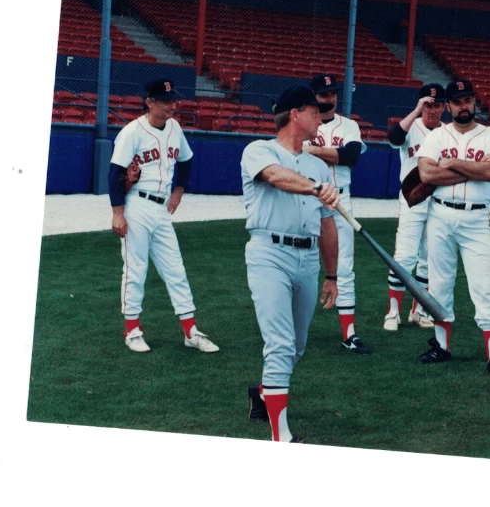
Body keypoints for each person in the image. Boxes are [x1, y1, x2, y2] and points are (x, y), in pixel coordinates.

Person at [241, 85, 341, 443]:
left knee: (296, 346)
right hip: (269, 253)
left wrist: (332, 275)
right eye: (315, 112)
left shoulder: (318, 164)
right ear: (295, 115)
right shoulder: (259, 150)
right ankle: (281, 439)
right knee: (281, 344)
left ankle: (265, 392)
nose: (321, 117)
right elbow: (276, 177)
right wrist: (316, 187)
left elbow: (327, 223)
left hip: (308, 257)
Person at [108, 78, 219, 353]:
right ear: (150, 102)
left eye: (173, 99)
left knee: (176, 269)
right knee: (136, 270)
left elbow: (186, 160)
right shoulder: (132, 132)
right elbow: (114, 174)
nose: (173, 105)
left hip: (160, 210)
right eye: (166, 101)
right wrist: (118, 214)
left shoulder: (175, 127)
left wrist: (179, 191)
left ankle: (190, 331)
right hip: (136, 206)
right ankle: (132, 330)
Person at [414, 79, 490, 380]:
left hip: (476, 218)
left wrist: (454, 162)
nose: (463, 105)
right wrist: (472, 173)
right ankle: (442, 347)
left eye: (468, 99)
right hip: (440, 214)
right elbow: (426, 173)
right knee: (439, 285)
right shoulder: (437, 134)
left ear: (474, 102)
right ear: (449, 105)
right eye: (457, 101)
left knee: (484, 286)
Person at [304, 73, 370, 354]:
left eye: (332, 94)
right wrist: (332, 153)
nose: (329, 98)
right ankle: (293, 328)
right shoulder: (303, 123)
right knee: (302, 263)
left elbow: (350, 156)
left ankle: (349, 333)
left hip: (341, 197)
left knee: (344, 267)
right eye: (323, 94)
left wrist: (315, 150)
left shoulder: (350, 125)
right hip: (307, 197)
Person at [383, 83, 446, 331]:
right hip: (411, 199)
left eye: (437, 104)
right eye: (427, 104)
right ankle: (393, 312)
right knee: (404, 256)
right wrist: (417, 109)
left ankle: (418, 311)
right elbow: (393, 138)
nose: (432, 109)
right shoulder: (411, 127)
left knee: (429, 259)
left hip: (437, 201)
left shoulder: (447, 132)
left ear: (444, 107)